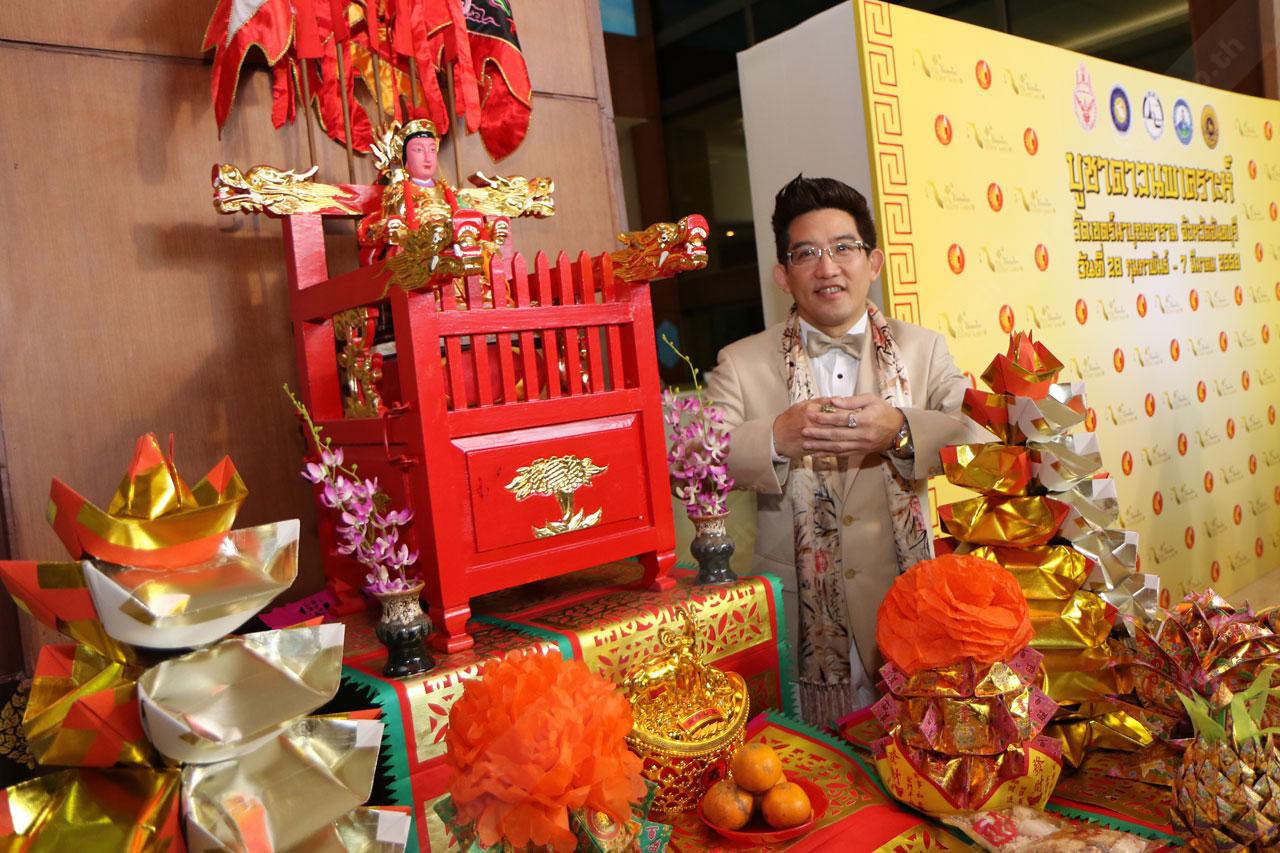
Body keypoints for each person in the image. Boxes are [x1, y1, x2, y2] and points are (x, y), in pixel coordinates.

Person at [703, 174, 983, 723]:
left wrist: (900, 431)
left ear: (873, 263)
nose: (827, 267)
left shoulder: (924, 349)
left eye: (843, 248)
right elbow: (697, 461)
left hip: (906, 603)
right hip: (798, 615)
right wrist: (774, 439)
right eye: (806, 253)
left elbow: (976, 435)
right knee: (812, 759)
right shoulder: (741, 361)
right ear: (783, 275)